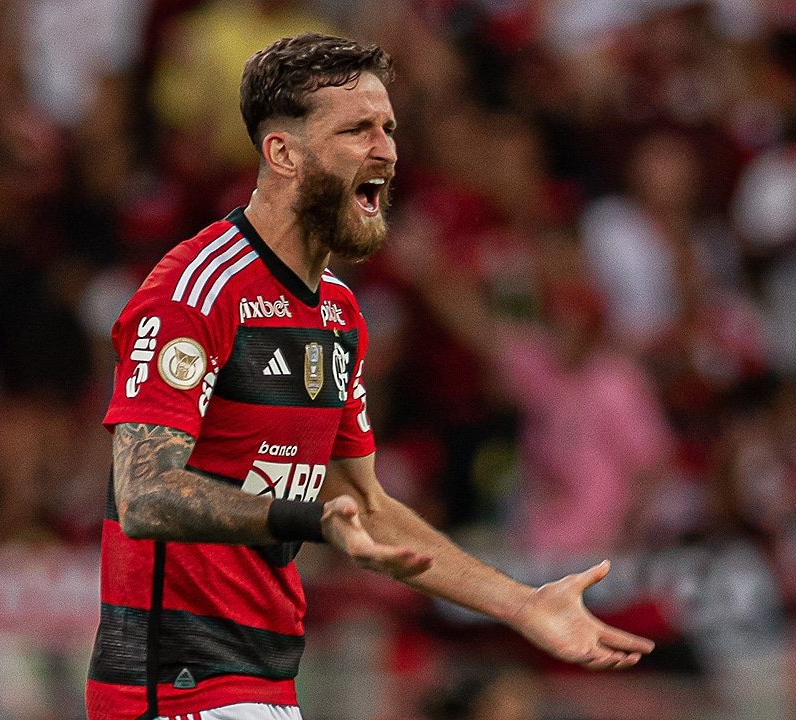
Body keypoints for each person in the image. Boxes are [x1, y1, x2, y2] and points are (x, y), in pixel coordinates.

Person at [88, 33, 655, 720]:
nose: (386, 149)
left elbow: (370, 509)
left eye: (388, 127)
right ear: (282, 154)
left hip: (262, 686)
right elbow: (145, 493)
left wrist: (523, 604)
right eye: (357, 130)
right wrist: (312, 520)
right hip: (173, 688)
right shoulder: (198, 290)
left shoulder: (337, 313)